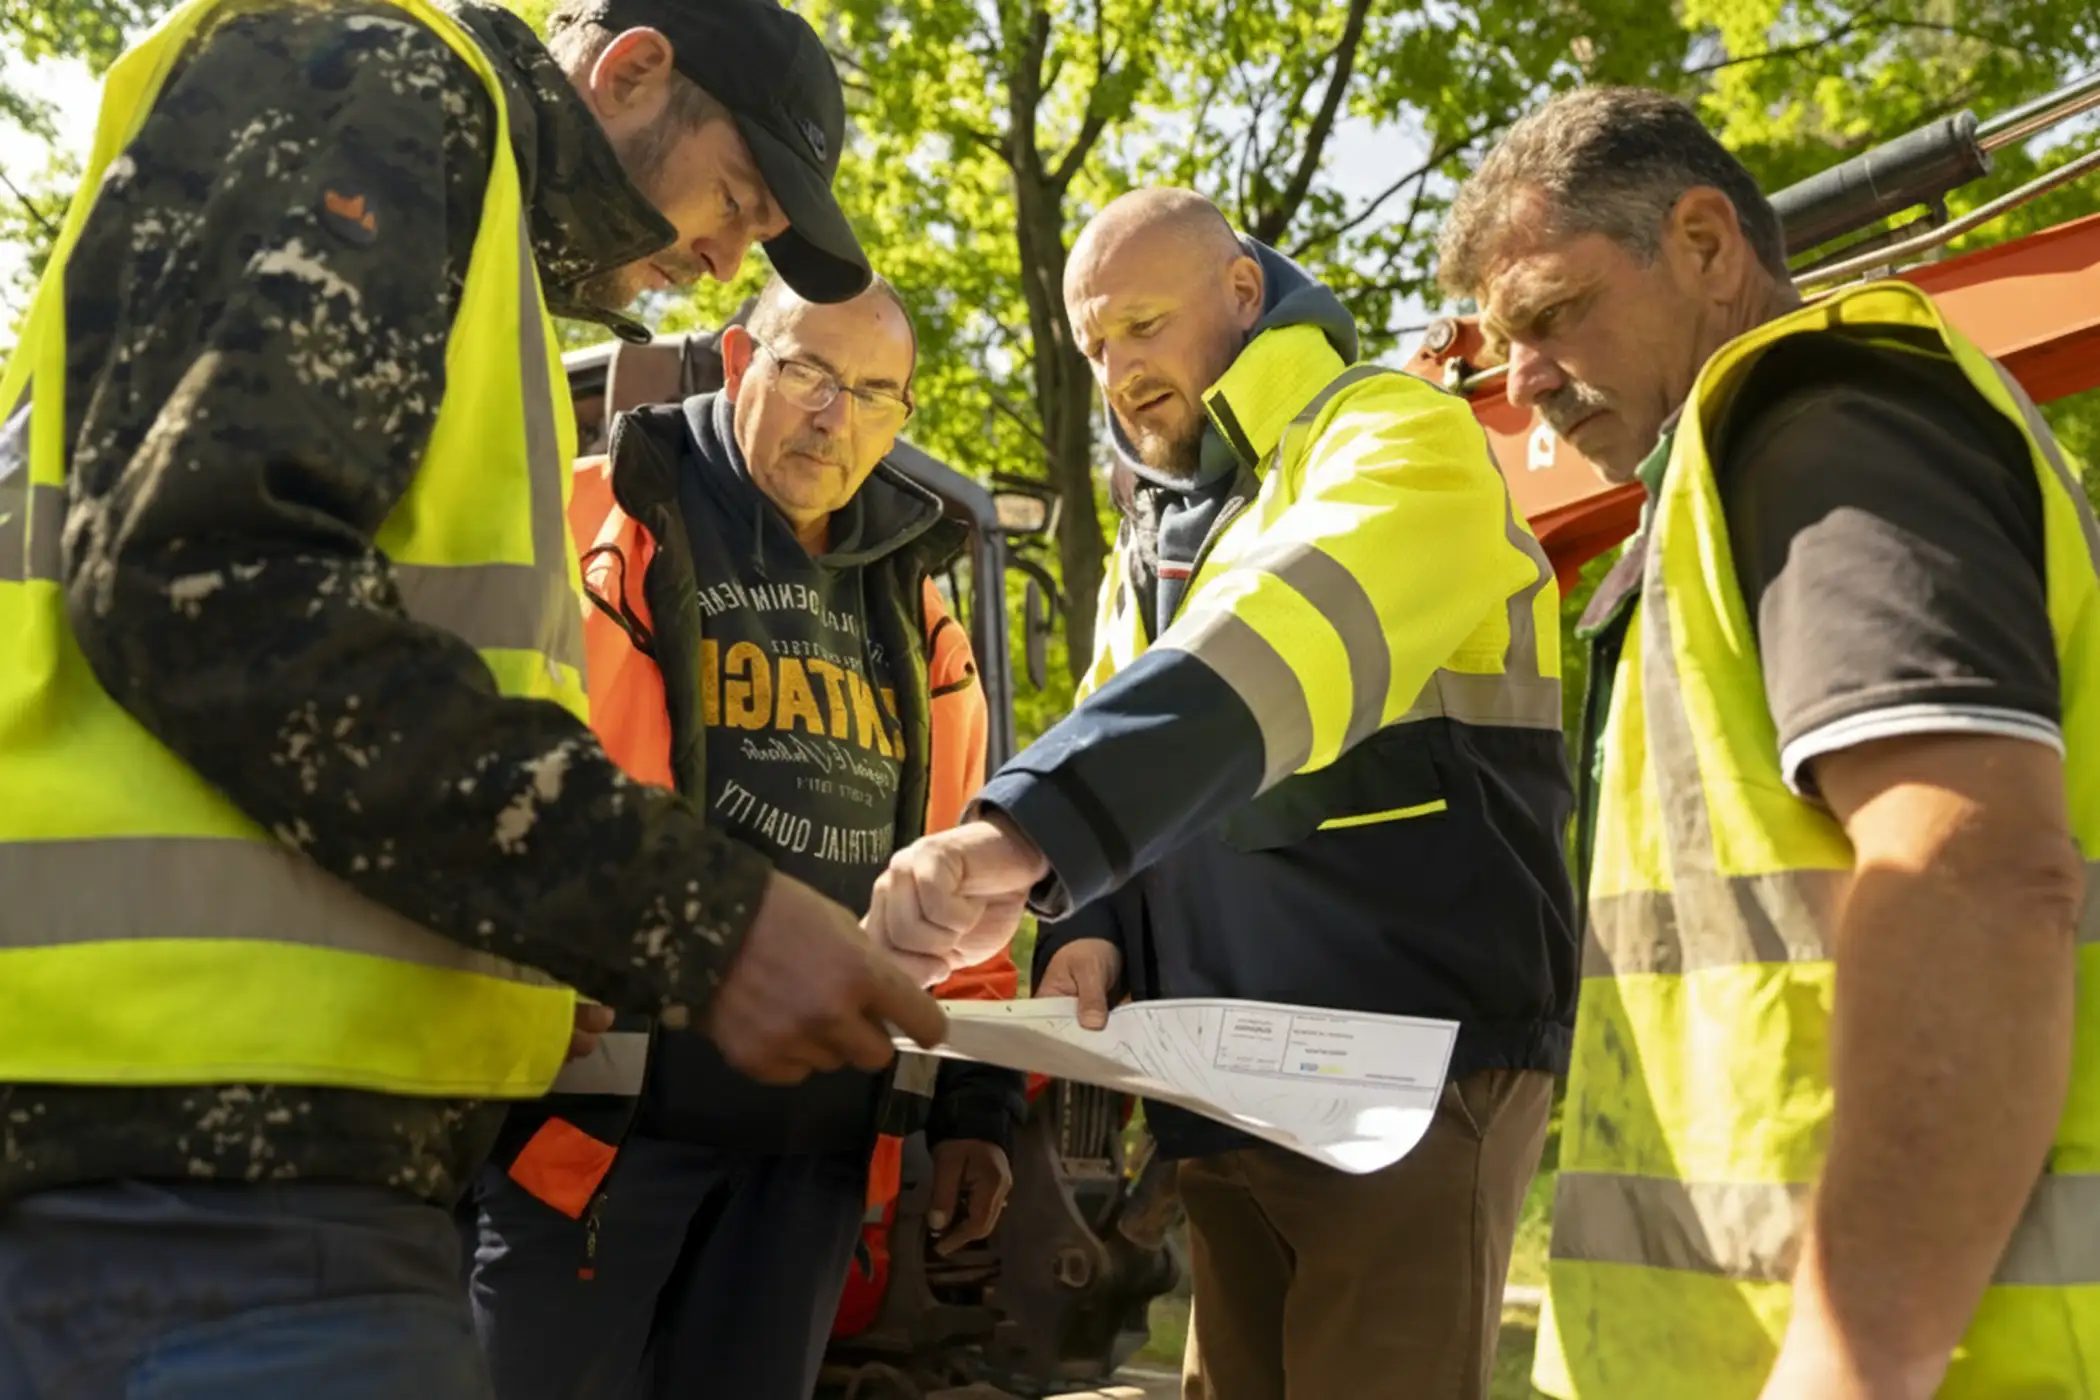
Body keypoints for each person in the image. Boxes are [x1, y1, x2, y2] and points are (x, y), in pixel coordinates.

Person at [0, 0, 947, 1392]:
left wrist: (513, 950)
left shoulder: (466, 228)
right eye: (739, 197)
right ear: (634, 70)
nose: (723, 257)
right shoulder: (379, 79)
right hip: (193, 1152)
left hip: (248, 1146)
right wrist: (694, 916)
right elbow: (211, 577)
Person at [1435, 87, 2100, 1399]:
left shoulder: (1822, 421)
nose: (1522, 383)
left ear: (1704, 243)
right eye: (1503, 344)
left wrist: (1852, 1363)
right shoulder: (1736, 480)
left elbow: (1970, 867)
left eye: (1553, 316)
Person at [865, 187, 1578, 1400]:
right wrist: (1088, 922)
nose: (1119, 372)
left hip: (1407, 1073)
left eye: (1144, 325)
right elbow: (1118, 722)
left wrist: (1027, 833)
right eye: (1096, 346)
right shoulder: (1155, 537)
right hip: (1227, 1090)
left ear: (1245, 293)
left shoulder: (1397, 435)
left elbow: (1274, 646)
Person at [469, 275, 1025, 1400]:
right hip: (588, 1131)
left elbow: (961, 879)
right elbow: (462, 775)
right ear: (737, 361)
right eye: (808, 371)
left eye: (873, 393)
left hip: (811, 1158)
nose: (834, 416)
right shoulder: (590, 520)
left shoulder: (920, 614)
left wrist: (979, 1110)